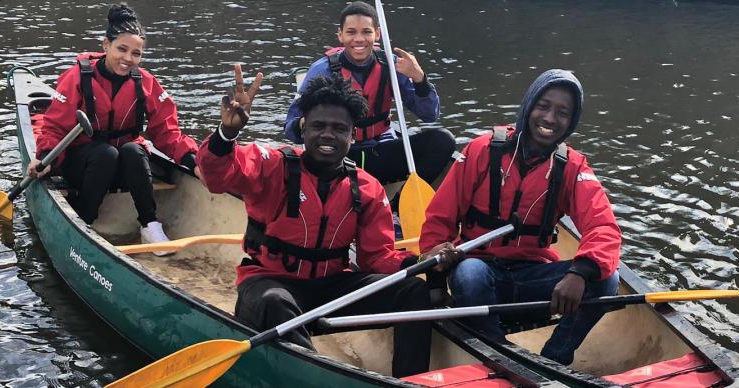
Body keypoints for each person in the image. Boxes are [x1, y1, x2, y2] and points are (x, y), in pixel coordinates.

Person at [197, 67, 461, 378]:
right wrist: (226, 135)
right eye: (319, 125)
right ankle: (317, 379)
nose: (328, 134)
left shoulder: (366, 187)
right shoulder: (272, 165)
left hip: (332, 287)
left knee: (411, 292)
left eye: (339, 128)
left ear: (352, 135)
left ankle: (410, 380)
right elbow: (216, 177)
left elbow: (376, 258)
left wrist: (420, 262)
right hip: (271, 282)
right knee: (275, 303)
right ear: (304, 126)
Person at [419, 69, 621, 365]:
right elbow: (440, 216)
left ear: (571, 122)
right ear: (528, 106)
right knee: (469, 273)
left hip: (535, 283)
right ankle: (502, 353)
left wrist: (579, 272)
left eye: (562, 113)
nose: (550, 118)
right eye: (543, 106)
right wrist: (435, 276)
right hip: (481, 274)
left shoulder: (573, 167)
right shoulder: (482, 150)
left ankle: (555, 358)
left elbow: (604, 227)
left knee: (607, 280)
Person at [30, 3, 199, 256]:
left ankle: (150, 224)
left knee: (133, 149)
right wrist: (45, 159)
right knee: (104, 153)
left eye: (136, 53)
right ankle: (85, 218)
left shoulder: (146, 83)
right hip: (84, 167)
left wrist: (195, 162)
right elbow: (54, 127)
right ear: (106, 45)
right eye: (122, 49)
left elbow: (167, 131)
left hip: (123, 169)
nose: (128, 59)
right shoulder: (76, 78)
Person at [283, 1, 455, 196]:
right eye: (351, 32)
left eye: (366, 32)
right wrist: (306, 123)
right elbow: (290, 129)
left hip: (381, 150)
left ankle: (399, 205)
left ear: (377, 34)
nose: (359, 39)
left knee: (443, 140)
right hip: (342, 154)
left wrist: (419, 79)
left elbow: (430, 115)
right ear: (340, 35)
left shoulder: (393, 65)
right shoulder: (322, 70)